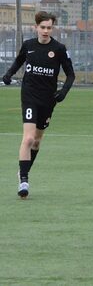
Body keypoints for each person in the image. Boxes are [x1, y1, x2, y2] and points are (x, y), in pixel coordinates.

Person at [2, 11, 75, 199]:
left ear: (52, 28)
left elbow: (70, 74)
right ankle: (23, 180)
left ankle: (24, 171)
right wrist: (9, 74)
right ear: (36, 27)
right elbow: (19, 61)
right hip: (29, 96)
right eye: (42, 27)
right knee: (27, 139)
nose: (45, 31)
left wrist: (63, 92)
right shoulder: (28, 46)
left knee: (36, 141)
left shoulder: (59, 49)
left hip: (48, 100)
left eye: (49, 27)